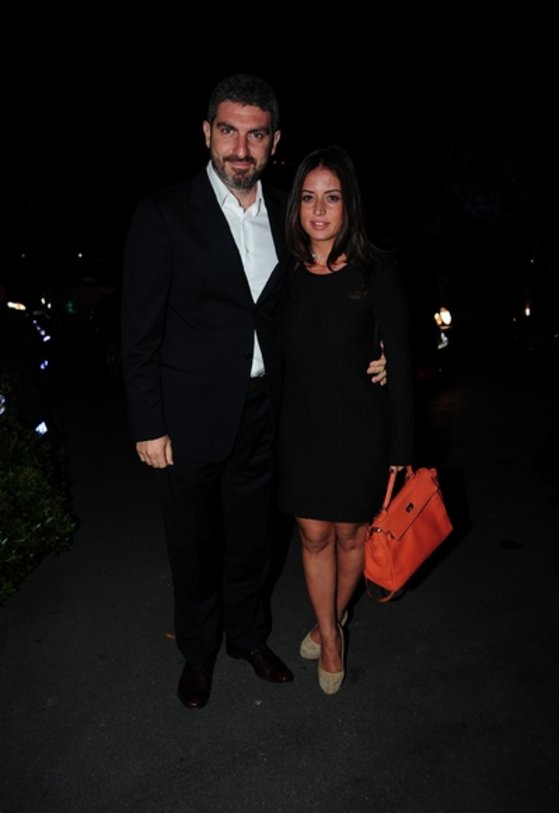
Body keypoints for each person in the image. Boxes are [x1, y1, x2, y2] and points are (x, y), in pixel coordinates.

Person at [121, 75, 387, 710]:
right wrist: (147, 423)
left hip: (270, 411)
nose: (241, 148)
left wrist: (380, 349)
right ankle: (198, 652)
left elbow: (331, 293)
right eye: (229, 131)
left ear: (274, 141)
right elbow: (138, 331)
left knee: (253, 540)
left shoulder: (292, 217)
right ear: (207, 134)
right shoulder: (163, 214)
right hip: (187, 417)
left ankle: (246, 637)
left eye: (256, 135)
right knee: (193, 544)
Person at [277, 146, 414, 694]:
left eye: (331, 198)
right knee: (313, 536)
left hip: (361, 427)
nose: (318, 210)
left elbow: (401, 364)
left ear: (348, 205)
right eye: (308, 198)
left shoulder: (377, 271)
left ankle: (327, 617)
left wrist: (402, 449)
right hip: (300, 428)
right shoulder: (283, 273)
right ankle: (331, 636)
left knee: (352, 534)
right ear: (296, 205)